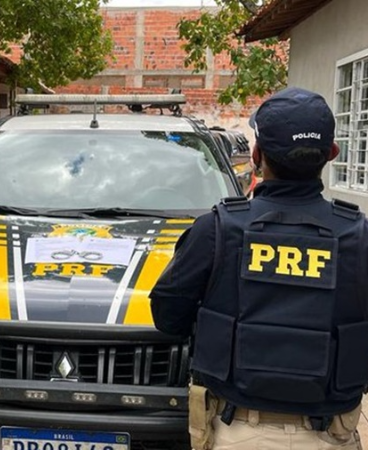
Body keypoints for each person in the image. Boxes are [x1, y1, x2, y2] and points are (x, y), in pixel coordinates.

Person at [150, 87, 367, 450]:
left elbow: (168, 316)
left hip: (237, 431)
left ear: (256, 155)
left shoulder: (217, 230)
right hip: (330, 434)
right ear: (332, 153)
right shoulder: (359, 237)